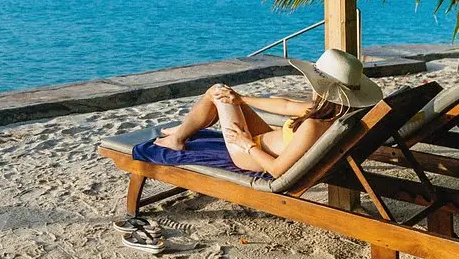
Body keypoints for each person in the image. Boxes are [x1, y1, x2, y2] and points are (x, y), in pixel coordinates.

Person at [153, 48, 383, 178]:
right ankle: (186, 128)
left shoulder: (314, 125)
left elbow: (276, 170)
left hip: (248, 154)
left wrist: (246, 144)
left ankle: (178, 137)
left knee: (216, 91)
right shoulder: (334, 115)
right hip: (266, 138)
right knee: (227, 95)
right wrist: (241, 99)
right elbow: (284, 105)